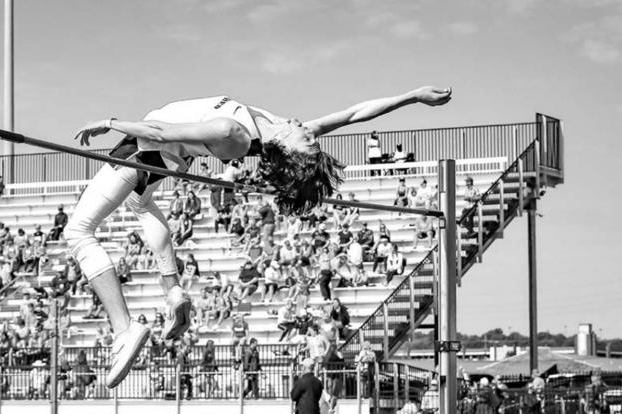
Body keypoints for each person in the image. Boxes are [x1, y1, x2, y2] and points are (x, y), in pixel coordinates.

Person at [67, 87, 451, 388]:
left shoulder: (233, 135)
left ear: (286, 151)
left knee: (79, 231)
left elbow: (159, 131)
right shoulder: (280, 127)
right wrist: (412, 96)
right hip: (164, 159)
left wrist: (111, 122)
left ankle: (123, 329)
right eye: (311, 139)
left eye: (307, 141)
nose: (308, 131)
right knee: (142, 205)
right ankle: (173, 291)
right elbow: (354, 113)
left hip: (145, 149)